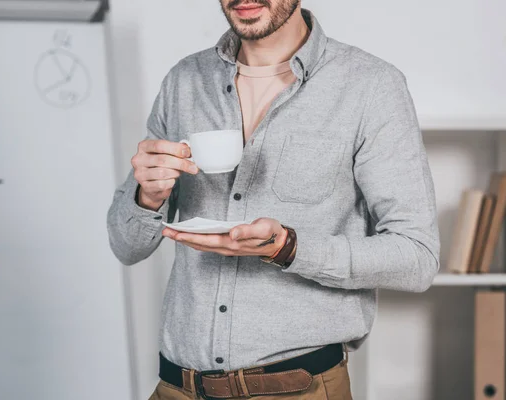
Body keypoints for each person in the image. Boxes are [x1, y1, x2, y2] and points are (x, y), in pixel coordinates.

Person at [107, 0, 440, 398]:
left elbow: (417, 257)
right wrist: (149, 195)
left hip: (298, 388)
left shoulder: (371, 86)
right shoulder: (185, 81)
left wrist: (289, 248)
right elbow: (126, 246)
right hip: (177, 387)